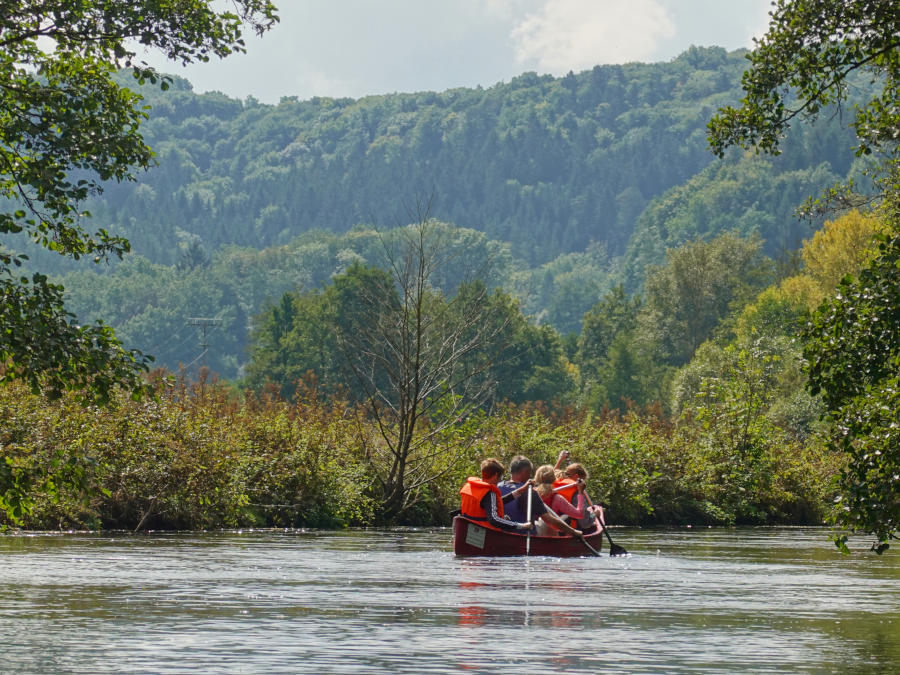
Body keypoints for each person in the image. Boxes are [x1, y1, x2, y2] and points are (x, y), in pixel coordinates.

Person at [459, 458, 534, 533]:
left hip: (468, 528)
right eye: (500, 477)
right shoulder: (489, 493)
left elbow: (497, 503)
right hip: (485, 532)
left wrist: (522, 490)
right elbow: (494, 519)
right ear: (495, 476)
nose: (500, 481)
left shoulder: (469, 487)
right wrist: (521, 526)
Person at [533, 464, 590, 536]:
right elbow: (580, 515)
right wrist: (580, 492)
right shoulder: (556, 498)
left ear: (536, 478)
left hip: (532, 531)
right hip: (548, 535)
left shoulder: (530, 493)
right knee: (566, 516)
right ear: (554, 479)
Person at [558, 462, 605, 532]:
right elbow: (585, 523)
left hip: (554, 525)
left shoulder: (556, 485)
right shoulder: (576, 493)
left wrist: (560, 460)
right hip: (569, 530)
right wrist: (594, 515)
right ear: (576, 477)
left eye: (566, 474)